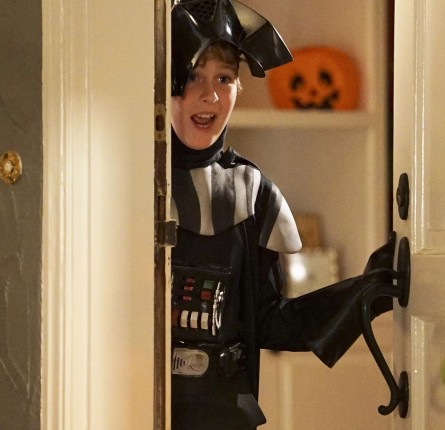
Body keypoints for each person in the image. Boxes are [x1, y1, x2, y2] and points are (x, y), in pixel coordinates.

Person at [169, 1, 396, 428]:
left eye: (224, 78)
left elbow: (271, 321)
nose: (210, 95)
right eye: (194, 75)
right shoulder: (128, 190)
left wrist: (366, 292)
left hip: (224, 412)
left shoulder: (253, 193)